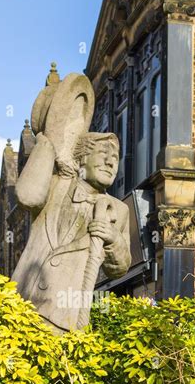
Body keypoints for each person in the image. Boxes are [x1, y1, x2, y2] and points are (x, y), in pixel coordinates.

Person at [12, 131, 131, 333]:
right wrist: (46, 143)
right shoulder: (54, 184)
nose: (111, 163)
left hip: (66, 318)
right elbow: (27, 196)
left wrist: (113, 239)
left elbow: (119, 268)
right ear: (82, 158)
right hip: (22, 306)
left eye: (115, 158)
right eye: (103, 153)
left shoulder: (118, 210)